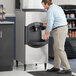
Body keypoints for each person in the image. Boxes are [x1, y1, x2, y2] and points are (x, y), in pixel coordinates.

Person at [41, 0, 72, 74]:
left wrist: (46, 34)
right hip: (62, 28)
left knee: (60, 48)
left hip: (59, 29)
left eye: (43, 5)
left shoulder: (50, 10)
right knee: (56, 48)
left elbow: (49, 24)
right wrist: (48, 23)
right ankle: (56, 67)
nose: (43, 7)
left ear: (47, 4)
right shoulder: (57, 7)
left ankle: (67, 68)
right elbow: (57, 18)